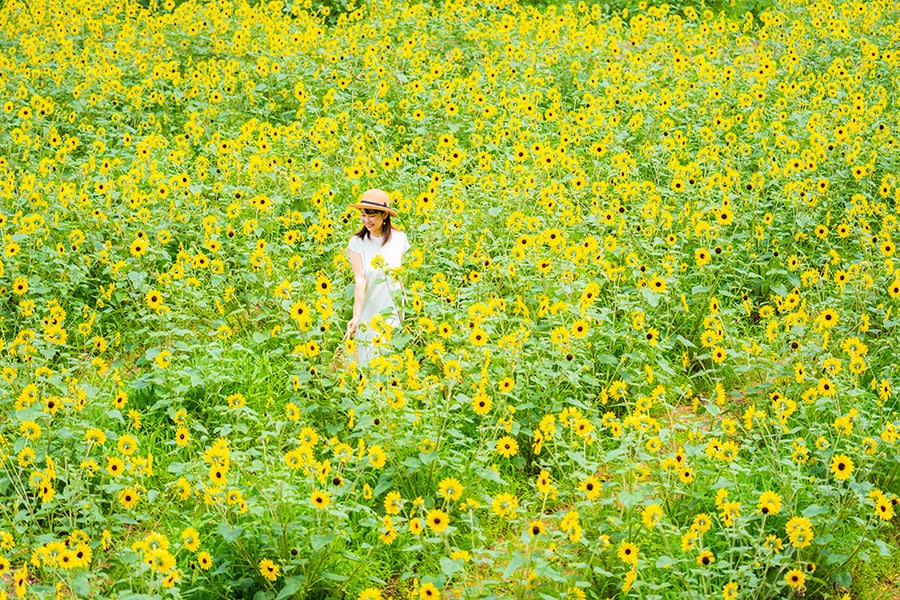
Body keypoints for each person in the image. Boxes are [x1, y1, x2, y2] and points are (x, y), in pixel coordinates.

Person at [345, 189, 410, 367]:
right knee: (368, 364)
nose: (367, 220)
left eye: (372, 215)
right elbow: (360, 279)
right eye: (363, 215)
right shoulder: (357, 244)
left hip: (393, 311)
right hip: (368, 312)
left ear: (384, 215)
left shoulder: (399, 239)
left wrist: (406, 307)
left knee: (392, 363)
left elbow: (399, 274)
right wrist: (357, 315)